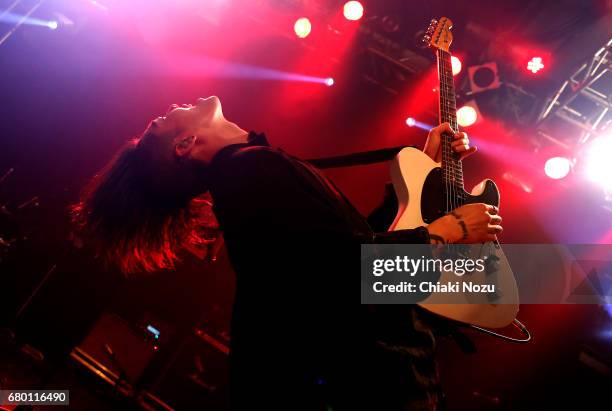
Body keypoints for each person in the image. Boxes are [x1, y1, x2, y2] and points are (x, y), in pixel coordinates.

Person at [72, 96, 502, 410]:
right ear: (184, 144)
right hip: (372, 387)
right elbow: (352, 276)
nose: (171, 107)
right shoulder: (249, 173)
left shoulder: (250, 169)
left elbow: (342, 253)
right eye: (160, 121)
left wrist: (421, 174)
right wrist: (446, 233)